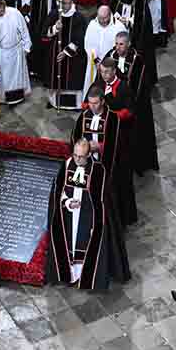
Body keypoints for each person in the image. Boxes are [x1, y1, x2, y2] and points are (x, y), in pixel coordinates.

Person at [45, 138, 131, 290]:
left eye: (80, 156)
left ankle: (85, 277)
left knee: (85, 247)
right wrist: (67, 202)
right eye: (75, 155)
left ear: (89, 155)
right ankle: (70, 276)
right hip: (69, 218)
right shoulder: (67, 165)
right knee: (69, 247)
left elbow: (103, 201)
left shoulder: (98, 171)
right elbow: (58, 191)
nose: (76, 159)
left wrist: (96, 223)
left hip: (88, 219)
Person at [71, 83, 136, 226]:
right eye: (90, 103)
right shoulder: (83, 117)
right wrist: (85, 147)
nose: (92, 106)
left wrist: (100, 147)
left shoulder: (113, 119)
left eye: (95, 103)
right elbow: (74, 138)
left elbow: (120, 145)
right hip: (88, 163)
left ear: (102, 101)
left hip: (108, 166)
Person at [109, 30, 159, 175]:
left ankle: (137, 165)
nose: (118, 47)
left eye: (121, 44)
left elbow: (140, 87)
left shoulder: (137, 61)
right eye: (116, 44)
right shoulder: (111, 56)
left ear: (129, 44)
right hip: (115, 106)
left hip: (133, 107)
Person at [0, 0, 32, 105]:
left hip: (16, 52)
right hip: (0, 54)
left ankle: (17, 98)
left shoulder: (15, 13)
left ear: (5, 7)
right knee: (2, 80)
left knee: (16, 79)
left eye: (2, 11)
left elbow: (24, 30)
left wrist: (27, 46)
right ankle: (2, 98)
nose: (0, 13)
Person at [43, 0, 88, 108]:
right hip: (55, 53)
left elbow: (80, 39)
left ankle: (71, 104)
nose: (64, 6)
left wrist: (66, 52)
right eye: (62, 3)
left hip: (72, 56)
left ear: (72, 2)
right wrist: (54, 28)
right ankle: (53, 101)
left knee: (71, 77)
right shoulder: (54, 14)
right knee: (54, 76)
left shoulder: (78, 17)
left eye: (66, 3)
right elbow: (44, 33)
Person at [81, 5, 126, 103]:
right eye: (100, 17)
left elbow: (122, 48)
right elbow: (88, 44)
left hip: (111, 65)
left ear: (110, 15)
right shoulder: (92, 25)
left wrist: (106, 63)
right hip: (94, 64)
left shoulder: (119, 27)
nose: (102, 20)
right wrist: (96, 61)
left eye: (105, 18)